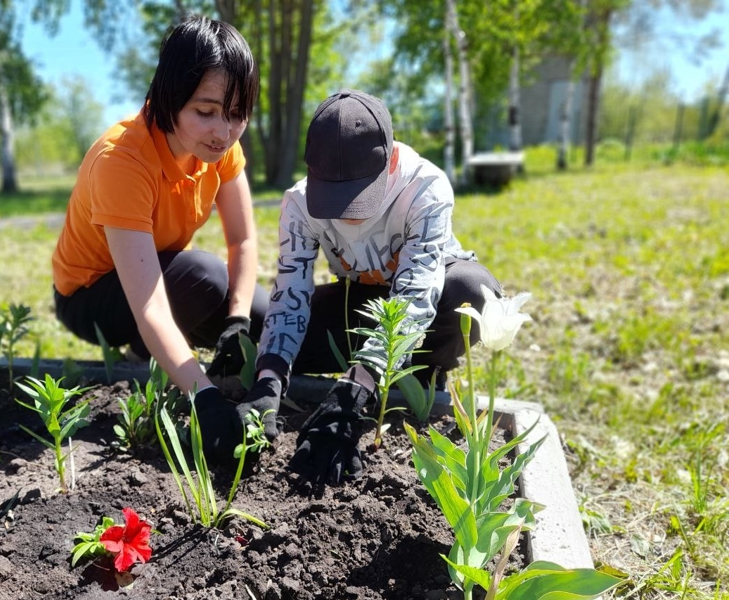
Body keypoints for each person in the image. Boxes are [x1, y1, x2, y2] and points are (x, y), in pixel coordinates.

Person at [242, 89, 502, 491]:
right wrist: (268, 381)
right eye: (332, 197)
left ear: (392, 160)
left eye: (359, 199)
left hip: (428, 300)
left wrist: (355, 389)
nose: (346, 217)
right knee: (264, 333)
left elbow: (417, 293)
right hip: (359, 304)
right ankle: (362, 369)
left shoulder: (425, 188)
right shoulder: (297, 204)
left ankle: (423, 372)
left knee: (474, 291)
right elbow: (291, 291)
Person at [51, 15, 270, 456]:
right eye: (205, 112)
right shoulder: (123, 161)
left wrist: (237, 322)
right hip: (94, 296)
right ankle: (140, 353)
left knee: (267, 321)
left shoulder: (218, 146)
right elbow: (149, 302)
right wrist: (204, 397)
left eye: (236, 114)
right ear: (169, 97)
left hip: (170, 273)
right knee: (206, 277)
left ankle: (188, 343)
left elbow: (242, 241)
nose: (223, 131)